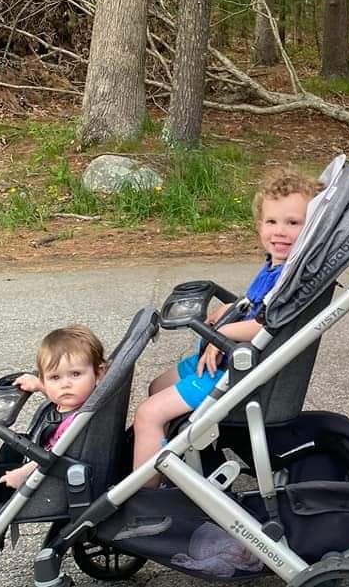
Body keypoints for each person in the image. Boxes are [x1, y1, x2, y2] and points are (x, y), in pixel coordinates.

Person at [132, 166, 321, 487]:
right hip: (223, 357)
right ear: (259, 225)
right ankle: (175, 463)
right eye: (272, 222)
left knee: (148, 415)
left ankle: (139, 498)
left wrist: (220, 337)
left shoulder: (290, 275)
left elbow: (269, 324)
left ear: (311, 227)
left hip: (236, 370)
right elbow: (256, 303)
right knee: (156, 386)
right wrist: (232, 308)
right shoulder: (276, 267)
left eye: (293, 223)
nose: (280, 231)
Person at [0, 326, 106, 546]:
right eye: (54, 377)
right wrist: (40, 386)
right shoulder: (83, 400)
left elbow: (55, 455)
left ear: (99, 373)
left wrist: (24, 474)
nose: (65, 384)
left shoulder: (80, 420)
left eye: (75, 374)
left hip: (53, 473)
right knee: (14, 442)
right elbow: (62, 395)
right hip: (47, 457)